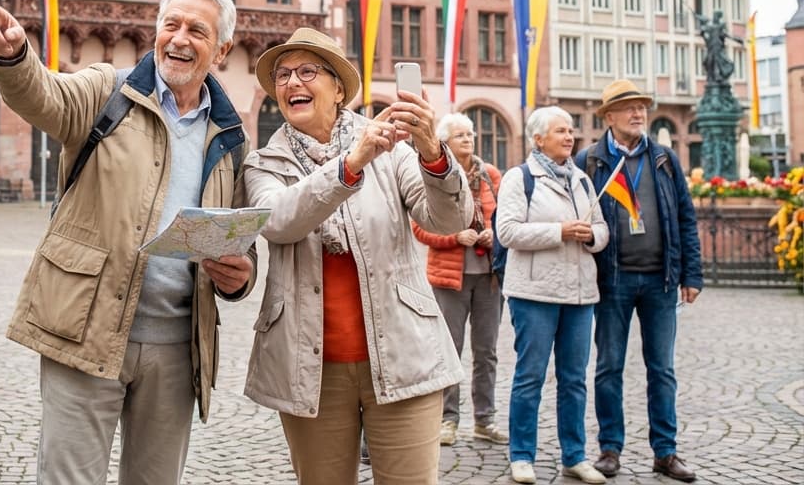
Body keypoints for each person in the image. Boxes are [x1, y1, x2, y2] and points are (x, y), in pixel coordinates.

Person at [0, 0, 255, 485]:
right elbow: (46, 97)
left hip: (177, 347)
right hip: (86, 328)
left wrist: (240, 278)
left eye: (197, 29)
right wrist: (15, 58)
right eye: (171, 24)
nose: (179, 38)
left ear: (223, 47)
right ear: (155, 29)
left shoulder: (232, 138)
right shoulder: (108, 89)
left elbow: (236, 238)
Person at [242, 27, 471, 485]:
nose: (291, 83)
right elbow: (280, 220)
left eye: (308, 71)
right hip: (311, 370)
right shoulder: (264, 162)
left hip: (404, 356)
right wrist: (350, 164)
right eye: (283, 75)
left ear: (339, 88)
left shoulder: (390, 145)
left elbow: (449, 219)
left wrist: (431, 151)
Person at [575, 81, 703, 482]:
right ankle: (609, 449)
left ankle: (665, 452)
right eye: (628, 108)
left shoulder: (664, 159)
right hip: (612, 281)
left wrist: (691, 273)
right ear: (608, 117)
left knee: (661, 369)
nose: (638, 114)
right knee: (609, 367)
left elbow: (685, 216)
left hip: (660, 281)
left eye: (641, 108)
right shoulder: (590, 162)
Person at [496, 106, 609, 484]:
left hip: (579, 295)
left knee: (574, 379)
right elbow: (508, 232)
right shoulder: (519, 178)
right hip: (534, 294)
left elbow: (601, 228)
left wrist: (592, 235)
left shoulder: (582, 180)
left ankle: (574, 456)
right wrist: (559, 231)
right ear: (538, 138)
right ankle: (522, 455)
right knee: (530, 376)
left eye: (571, 130)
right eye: (561, 131)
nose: (569, 137)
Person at [411, 113, 507, 447]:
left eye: (470, 134)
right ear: (445, 143)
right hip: (448, 279)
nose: (468, 139)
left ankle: (485, 420)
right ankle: (447, 420)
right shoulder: (435, 177)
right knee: (449, 350)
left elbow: (507, 220)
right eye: (460, 135)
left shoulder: (492, 175)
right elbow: (420, 228)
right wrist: (455, 236)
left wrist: (495, 234)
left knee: (487, 352)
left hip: (489, 277)